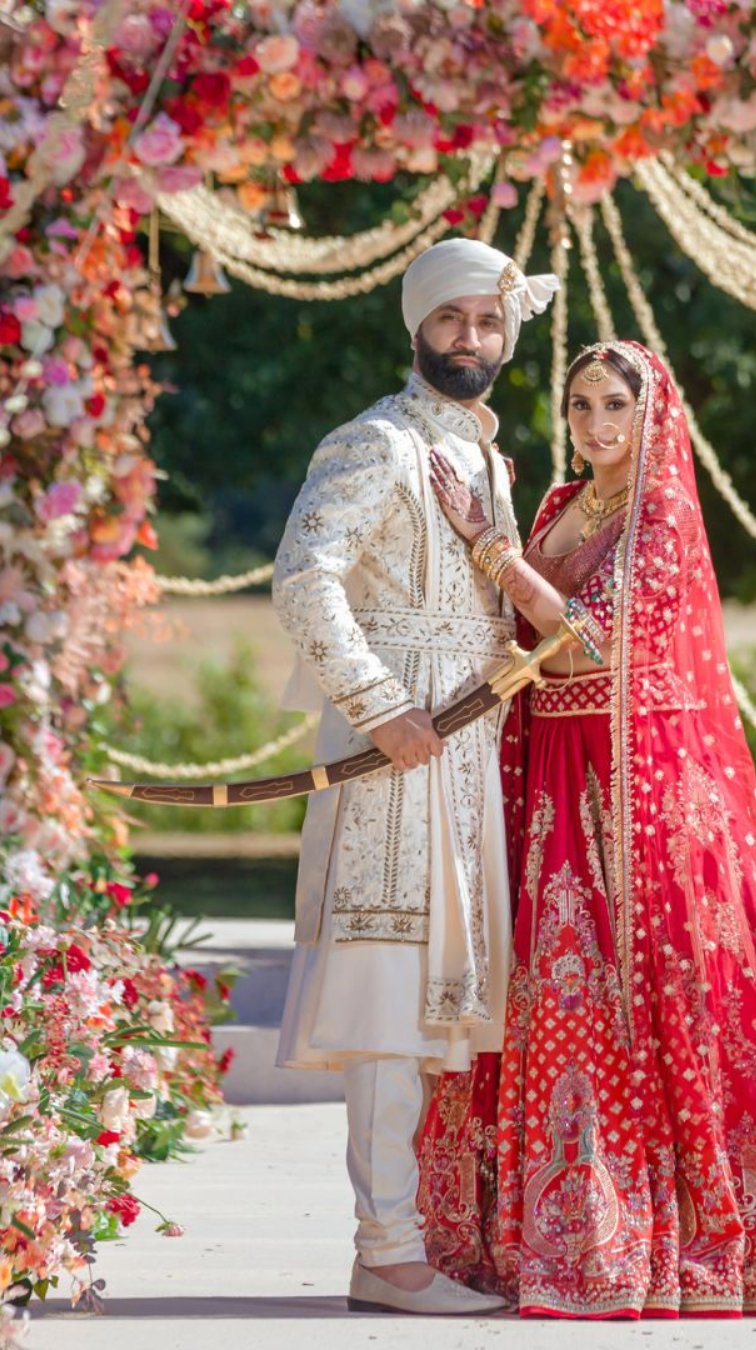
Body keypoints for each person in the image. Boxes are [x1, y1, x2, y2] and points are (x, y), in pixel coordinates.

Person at [418, 340, 756, 1318]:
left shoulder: (662, 511)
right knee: (559, 991)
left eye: (615, 405)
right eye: (581, 404)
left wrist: (488, 546)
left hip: (638, 783)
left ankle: (667, 1230)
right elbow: (524, 637)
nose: (596, 424)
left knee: (661, 995)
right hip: (555, 771)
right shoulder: (560, 504)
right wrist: (497, 552)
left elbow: (587, 638)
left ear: (652, 414)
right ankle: (566, 1233)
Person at [271, 238, 557, 1315]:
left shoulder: (487, 459)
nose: (469, 339)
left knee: (436, 1007)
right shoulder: (377, 442)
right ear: (416, 326)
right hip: (396, 754)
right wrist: (377, 705)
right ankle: (387, 1253)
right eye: (450, 319)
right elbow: (304, 579)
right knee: (387, 995)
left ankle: (405, 1242)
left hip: (468, 752)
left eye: (488, 323)